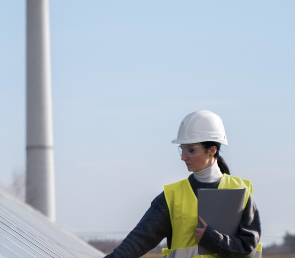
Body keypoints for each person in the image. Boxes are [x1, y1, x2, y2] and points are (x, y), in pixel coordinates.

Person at [104, 110, 261, 258]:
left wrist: (212, 239)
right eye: (182, 149)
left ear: (212, 150)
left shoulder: (240, 191)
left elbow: (248, 248)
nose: (184, 157)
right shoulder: (172, 196)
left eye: (191, 150)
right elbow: (138, 240)